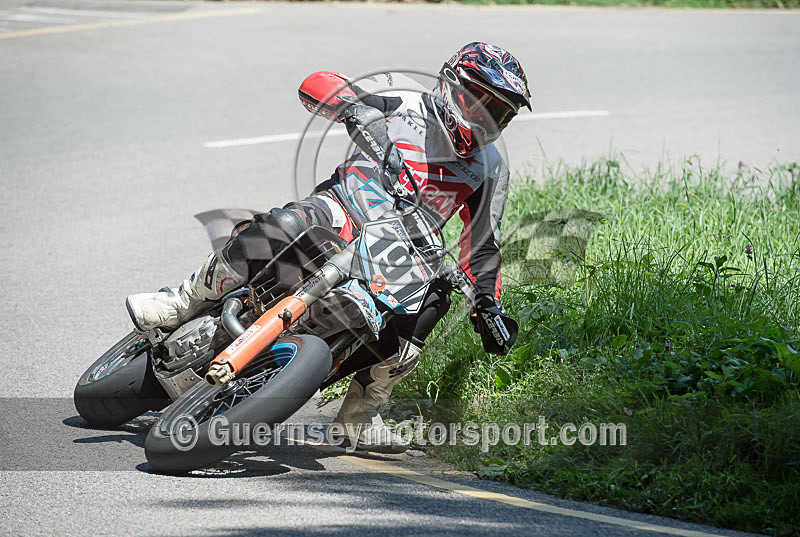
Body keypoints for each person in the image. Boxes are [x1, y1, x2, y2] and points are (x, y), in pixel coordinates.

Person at [126, 42, 531, 452]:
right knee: (285, 222)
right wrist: (357, 111)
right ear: (451, 86)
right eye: (480, 102)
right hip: (342, 209)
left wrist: (487, 304)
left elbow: (482, 243)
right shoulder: (404, 98)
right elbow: (318, 84)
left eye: (499, 113)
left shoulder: (491, 166)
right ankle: (181, 301)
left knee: (435, 299)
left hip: (401, 252)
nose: (486, 118)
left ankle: (360, 415)